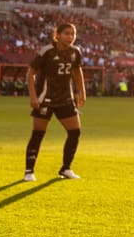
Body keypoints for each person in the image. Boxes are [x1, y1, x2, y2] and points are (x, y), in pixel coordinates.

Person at [23, 23, 88, 181]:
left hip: (66, 98)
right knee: (38, 134)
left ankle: (66, 168)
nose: (70, 37)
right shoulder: (47, 51)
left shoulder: (75, 52)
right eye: (66, 33)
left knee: (75, 132)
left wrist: (82, 92)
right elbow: (30, 74)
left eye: (72, 34)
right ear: (57, 35)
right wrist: (33, 96)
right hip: (45, 98)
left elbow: (77, 70)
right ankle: (29, 171)